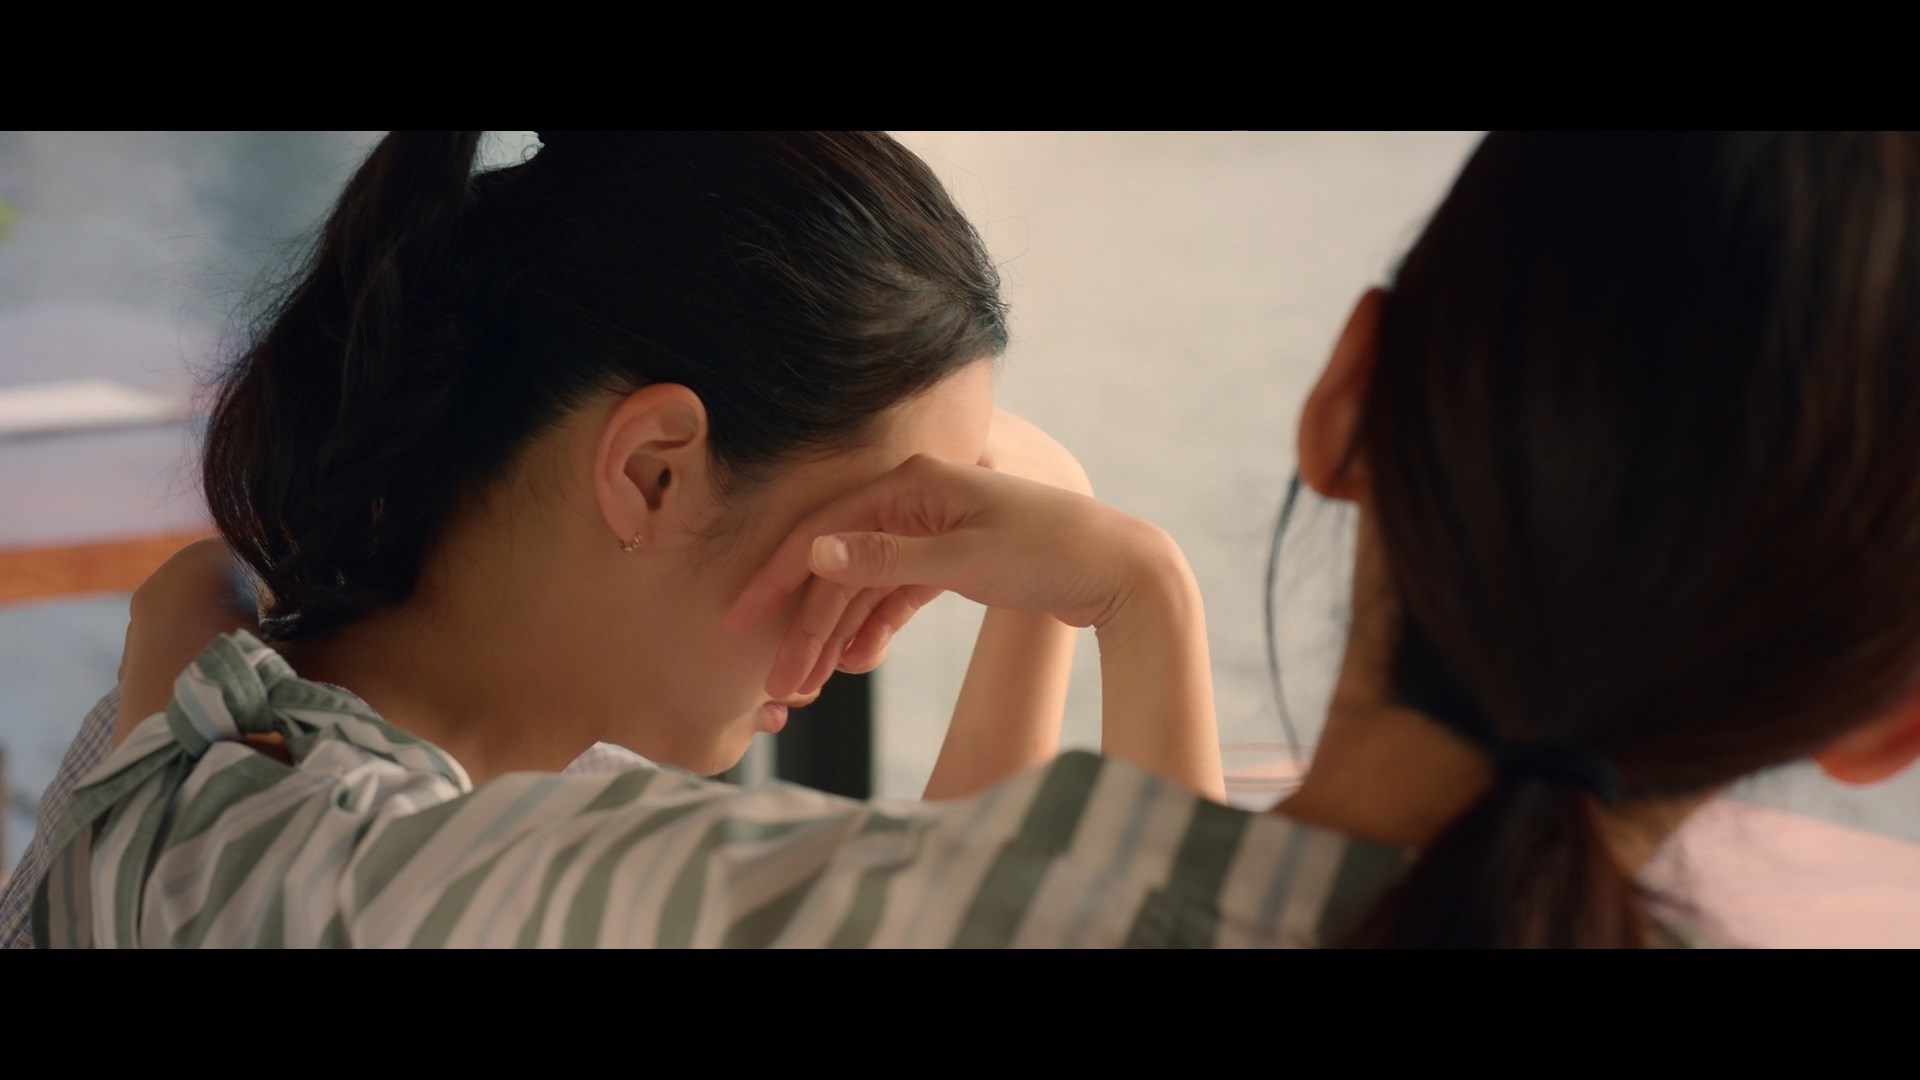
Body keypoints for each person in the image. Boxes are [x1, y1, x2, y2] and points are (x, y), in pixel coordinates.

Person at [31, 130, 1920, 948]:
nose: (880, 626)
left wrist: (1130, 587)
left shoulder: (327, 850)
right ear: (1887, 723)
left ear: (1345, 397)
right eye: (884, 549)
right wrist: (1125, 593)